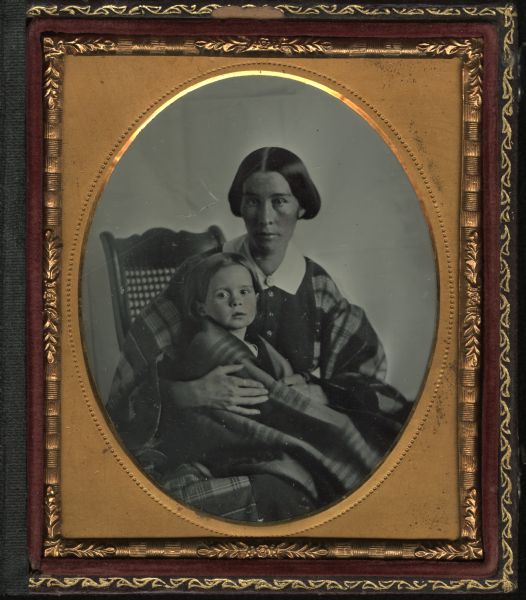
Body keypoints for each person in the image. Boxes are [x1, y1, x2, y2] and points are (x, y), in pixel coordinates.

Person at [107, 147, 410, 522]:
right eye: (253, 202)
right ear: (240, 205)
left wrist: (323, 390)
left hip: (292, 445)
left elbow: (365, 372)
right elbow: (131, 373)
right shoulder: (202, 274)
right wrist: (183, 393)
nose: (265, 218)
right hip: (208, 444)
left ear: (301, 207)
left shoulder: (316, 286)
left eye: (280, 202)